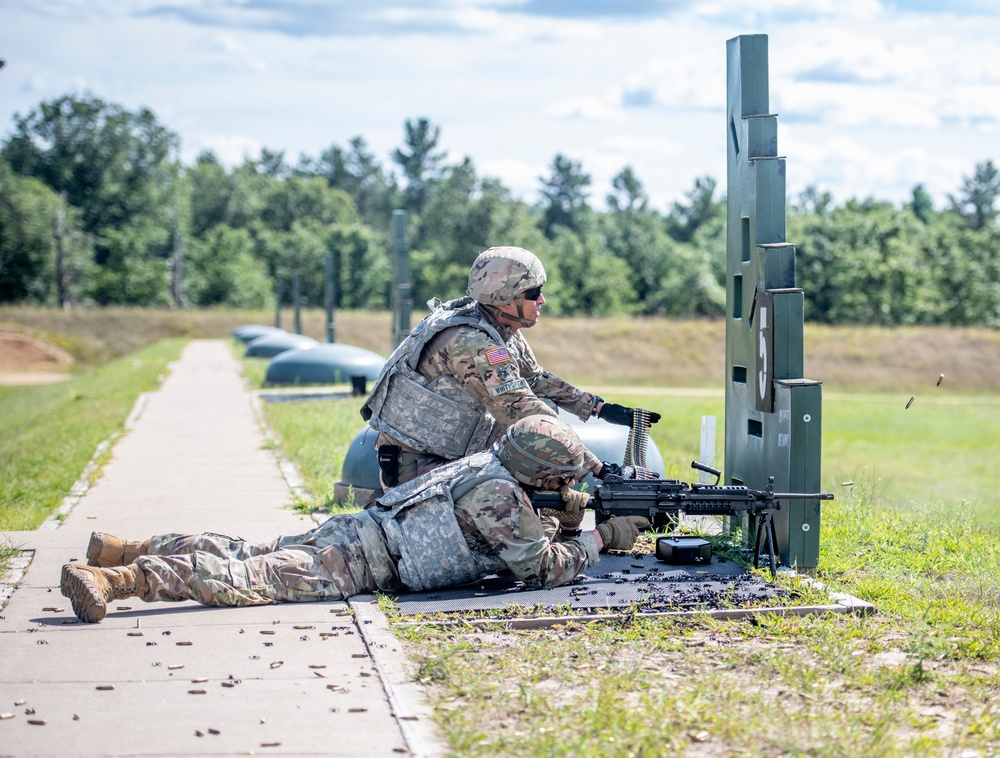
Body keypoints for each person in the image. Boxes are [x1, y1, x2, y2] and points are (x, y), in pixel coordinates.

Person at [60, 415, 650, 624]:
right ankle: (121, 581)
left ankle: (125, 547)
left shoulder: (488, 464)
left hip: (355, 532)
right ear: (537, 475)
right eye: (561, 480)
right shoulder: (503, 497)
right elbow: (540, 571)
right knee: (249, 579)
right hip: (361, 561)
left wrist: (568, 522)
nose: (567, 486)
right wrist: (599, 535)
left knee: (246, 550)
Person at [360, 245, 660, 490]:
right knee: (517, 513)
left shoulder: (500, 328)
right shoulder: (473, 343)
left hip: (452, 456)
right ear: (503, 298)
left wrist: (599, 409)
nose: (541, 299)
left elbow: (535, 379)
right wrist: (599, 467)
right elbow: (521, 409)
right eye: (532, 293)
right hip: (420, 468)